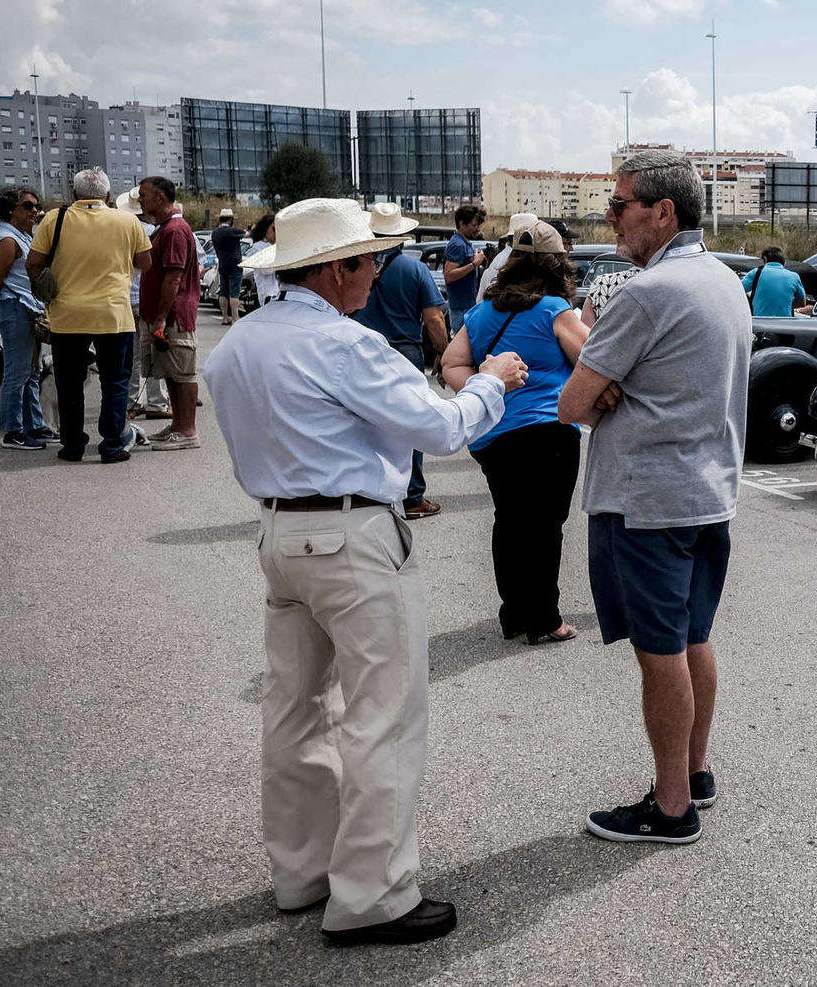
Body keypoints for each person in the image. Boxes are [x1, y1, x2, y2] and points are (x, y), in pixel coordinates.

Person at [208, 197, 528, 946]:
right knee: (383, 713)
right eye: (367, 260)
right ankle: (373, 892)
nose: (376, 271)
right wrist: (494, 381)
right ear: (335, 269)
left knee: (294, 709)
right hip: (350, 534)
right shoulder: (344, 346)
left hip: (280, 528)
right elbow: (440, 426)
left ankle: (301, 871)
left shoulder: (238, 345)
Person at [557, 150, 750, 845]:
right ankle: (694, 773)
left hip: (647, 501)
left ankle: (671, 807)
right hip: (707, 494)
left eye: (619, 205)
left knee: (660, 653)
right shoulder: (724, 280)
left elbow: (571, 404)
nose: (608, 218)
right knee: (693, 636)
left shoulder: (646, 292)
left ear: (662, 212)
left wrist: (603, 386)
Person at [443, 220, 587, 644]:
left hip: (494, 435)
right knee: (545, 525)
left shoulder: (483, 312)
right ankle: (545, 617)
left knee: (509, 521)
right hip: (548, 432)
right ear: (557, 263)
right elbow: (595, 360)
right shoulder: (553, 311)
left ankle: (515, 613)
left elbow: (451, 363)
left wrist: (487, 390)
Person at [27, 167, 151, 464]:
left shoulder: (55, 219)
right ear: (108, 196)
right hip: (113, 314)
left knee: (69, 383)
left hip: (67, 315)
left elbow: (33, 263)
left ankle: (72, 446)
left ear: (74, 194)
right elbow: (145, 262)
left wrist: (53, 282)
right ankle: (111, 445)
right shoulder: (126, 221)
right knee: (115, 382)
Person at [351, 203, 449, 519]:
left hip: (362, 350)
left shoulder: (356, 266)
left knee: (365, 421)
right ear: (403, 237)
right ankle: (412, 496)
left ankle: (371, 490)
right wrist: (444, 353)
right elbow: (433, 318)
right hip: (404, 351)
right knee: (411, 421)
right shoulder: (414, 270)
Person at [0, 187, 57, 450]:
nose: (34, 211)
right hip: (13, 309)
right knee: (17, 372)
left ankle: (35, 425)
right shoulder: (6, 240)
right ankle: (13, 431)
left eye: (36, 206)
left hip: (26, 309)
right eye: (28, 206)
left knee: (32, 372)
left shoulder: (21, 236)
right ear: (10, 209)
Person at [134, 176, 204, 452]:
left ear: (160, 198)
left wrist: (161, 317)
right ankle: (177, 424)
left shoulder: (174, 230)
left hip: (174, 316)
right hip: (163, 315)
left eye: (143, 194)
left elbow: (173, 278)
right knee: (172, 373)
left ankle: (188, 430)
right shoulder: (163, 228)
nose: (140, 199)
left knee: (182, 373)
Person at [114, 188, 170, 422]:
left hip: (125, 299)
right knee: (155, 354)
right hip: (147, 300)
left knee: (133, 356)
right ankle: (157, 402)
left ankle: (132, 402)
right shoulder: (155, 233)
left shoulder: (120, 231)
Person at [441, 204, 486, 333]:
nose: (477, 229)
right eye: (474, 225)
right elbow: (449, 275)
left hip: (467, 306)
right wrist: (473, 264)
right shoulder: (457, 245)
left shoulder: (463, 243)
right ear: (462, 224)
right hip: (461, 308)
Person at [741, 247, 810, 317]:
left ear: (765, 259)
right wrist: (787, 305)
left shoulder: (756, 273)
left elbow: (738, 290)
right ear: (783, 261)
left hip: (760, 322)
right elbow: (802, 302)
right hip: (785, 324)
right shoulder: (794, 276)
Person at [212, 208, 247, 325]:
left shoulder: (215, 233)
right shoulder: (231, 231)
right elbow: (246, 234)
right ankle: (235, 317)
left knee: (223, 292)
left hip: (222, 264)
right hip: (235, 265)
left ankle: (225, 317)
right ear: (231, 219)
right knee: (234, 292)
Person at [243, 213, 278, 302]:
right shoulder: (257, 247)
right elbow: (265, 270)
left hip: (279, 292)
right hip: (268, 293)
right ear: (265, 229)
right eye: (273, 229)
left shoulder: (276, 246)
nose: (276, 232)